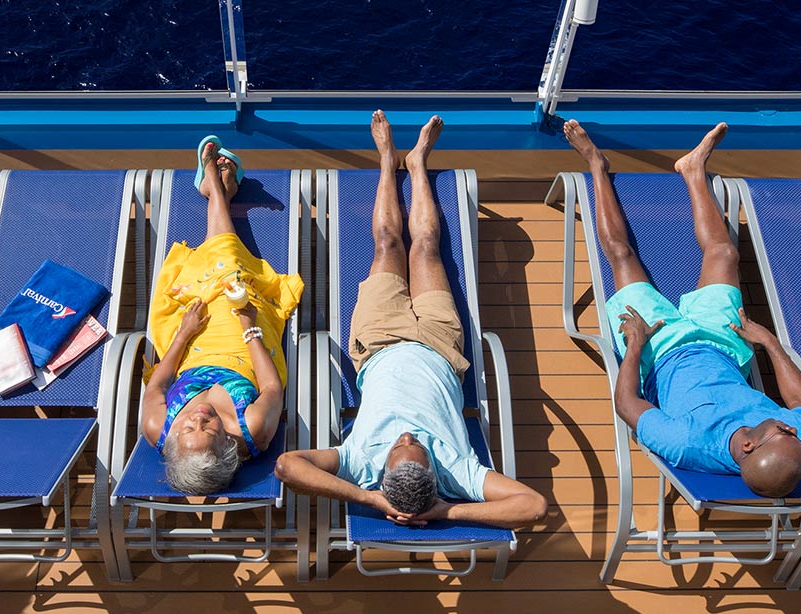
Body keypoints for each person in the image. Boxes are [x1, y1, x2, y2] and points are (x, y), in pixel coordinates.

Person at [274, 112, 546, 528]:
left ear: (382, 475)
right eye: (415, 445)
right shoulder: (457, 470)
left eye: (398, 447)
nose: (407, 436)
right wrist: (449, 510)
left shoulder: (360, 462)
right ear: (434, 475)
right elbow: (533, 505)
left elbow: (287, 466)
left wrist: (366, 497)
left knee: (387, 244)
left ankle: (386, 161)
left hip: (380, 340)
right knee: (426, 248)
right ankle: (417, 163)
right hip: (439, 342)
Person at [558, 120, 801, 499]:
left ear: (748, 446)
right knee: (724, 253)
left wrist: (635, 345)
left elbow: (627, 404)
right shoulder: (798, 443)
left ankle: (596, 164)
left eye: (782, 430)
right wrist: (769, 342)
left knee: (621, 255)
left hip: (659, 349)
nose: (790, 427)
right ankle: (693, 168)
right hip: (723, 343)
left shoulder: (686, 442)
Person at [139, 138, 302, 495]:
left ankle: (217, 191)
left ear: (173, 444)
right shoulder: (252, 429)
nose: (199, 419)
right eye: (209, 431)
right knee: (230, 275)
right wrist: (250, 326)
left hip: (192, 346)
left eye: (188, 429)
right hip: (247, 349)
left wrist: (183, 333)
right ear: (228, 447)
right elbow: (272, 387)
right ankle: (215, 187)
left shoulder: (157, 426)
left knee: (214, 276)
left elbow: (157, 386)